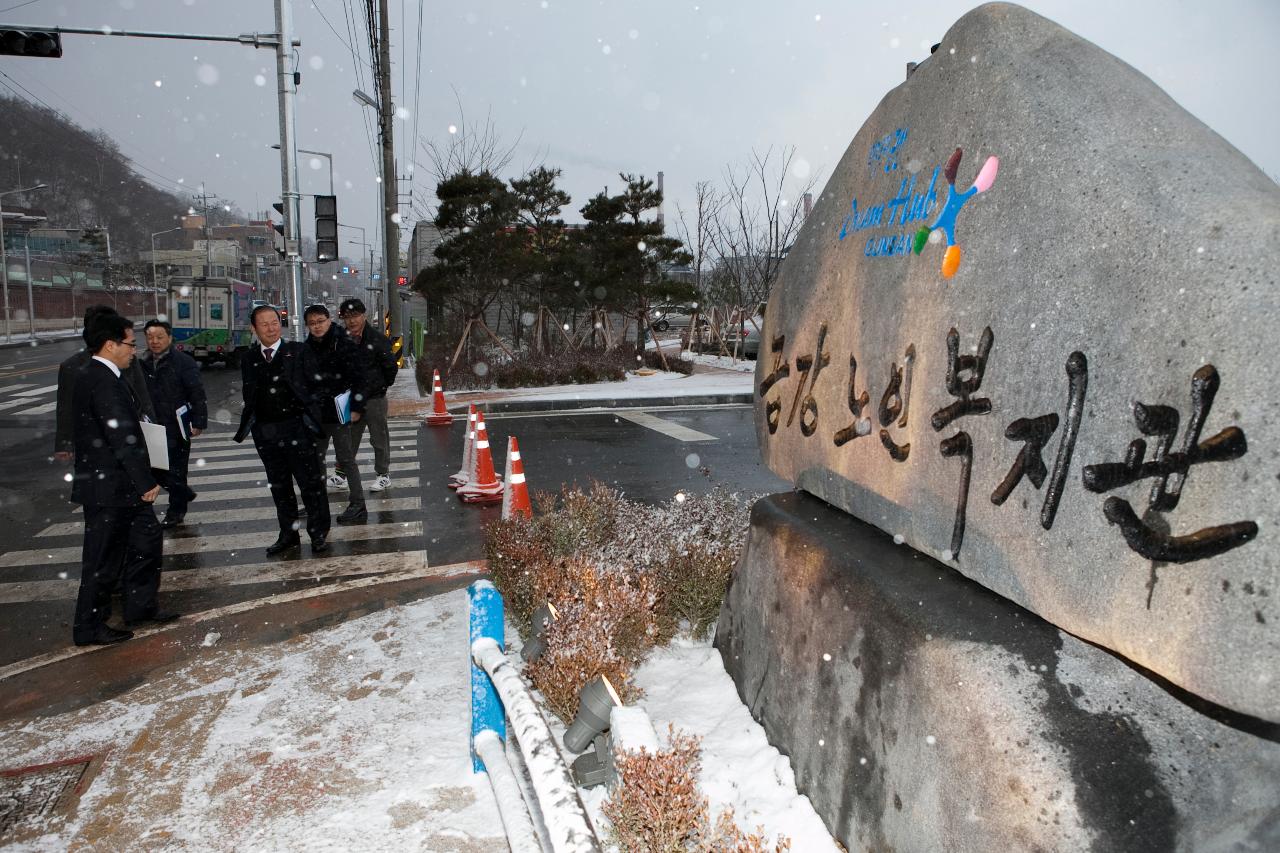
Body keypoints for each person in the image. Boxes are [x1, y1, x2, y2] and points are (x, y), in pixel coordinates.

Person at [70, 314, 176, 646]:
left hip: (120, 486)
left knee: (146, 541)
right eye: (130, 343)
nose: (135, 350)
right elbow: (122, 439)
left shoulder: (106, 375)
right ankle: (89, 627)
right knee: (102, 560)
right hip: (110, 488)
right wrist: (146, 482)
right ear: (110, 345)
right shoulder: (100, 379)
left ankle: (141, 606)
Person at [234, 305, 331, 555]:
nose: (270, 328)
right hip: (266, 433)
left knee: (310, 484)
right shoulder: (249, 358)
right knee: (280, 487)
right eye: (264, 324)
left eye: (274, 322)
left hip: (297, 429)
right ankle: (288, 534)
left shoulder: (298, 352)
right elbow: (250, 394)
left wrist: (310, 420)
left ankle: (318, 534)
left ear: (281, 324)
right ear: (254, 329)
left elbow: (318, 388)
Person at [55, 305, 155, 464]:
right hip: (93, 447)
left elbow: (143, 398)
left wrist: (153, 433)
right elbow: (65, 408)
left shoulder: (130, 360)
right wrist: (64, 443)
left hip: (129, 440)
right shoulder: (72, 367)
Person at [138, 319, 207, 528]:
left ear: (169, 338)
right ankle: (182, 492)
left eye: (159, 337)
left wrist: (199, 421)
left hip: (176, 424)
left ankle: (176, 511)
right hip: (150, 425)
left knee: (177, 469)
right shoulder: (140, 363)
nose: (155, 341)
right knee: (153, 469)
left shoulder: (183, 362)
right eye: (150, 337)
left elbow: (196, 392)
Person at [304, 304, 369, 525]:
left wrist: (357, 408)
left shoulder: (343, 343)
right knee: (316, 460)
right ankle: (317, 501)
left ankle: (358, 504)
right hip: (317, 414)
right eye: (312, 323)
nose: (317, 326)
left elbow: (360, 377)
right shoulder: (307, 348)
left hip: (341, 412)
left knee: (346, 460)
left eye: (320, 321)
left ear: (329, 320)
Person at [337, 298, 398, 493]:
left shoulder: (376, 339)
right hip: (351, 397)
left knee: (378, 437)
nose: (352, 321)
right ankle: (341, 474)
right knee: (348, 437)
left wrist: (380, 386)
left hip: (374, 398)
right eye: (347, 317)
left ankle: (383, 475)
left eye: (355, 316)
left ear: (363, 316)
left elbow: (390, 368)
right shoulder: (341, 339)